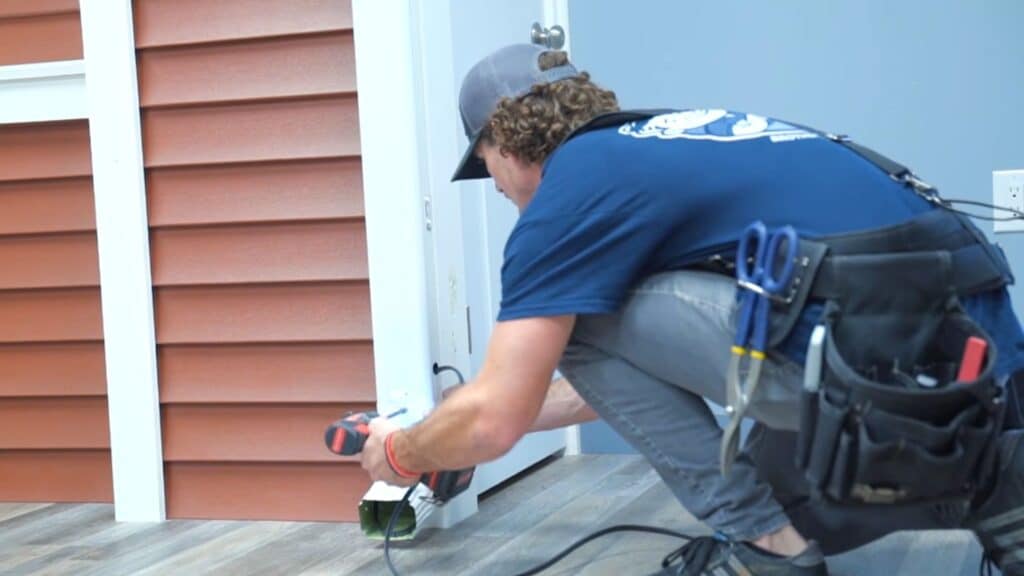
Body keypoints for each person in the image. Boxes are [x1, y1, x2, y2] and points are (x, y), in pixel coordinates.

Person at [358, 44, 1024, 576]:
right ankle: (995, 478)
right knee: (614, 331)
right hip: (978, 366)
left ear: (504, 141)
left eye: (485, 168)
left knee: (578, 314)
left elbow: (493, 419)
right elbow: (629, 379)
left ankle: (769, 549)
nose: (497, 189)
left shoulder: (570, 192)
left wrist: (405, 452)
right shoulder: (671, 142)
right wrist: (450, 432)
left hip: (874, 371)